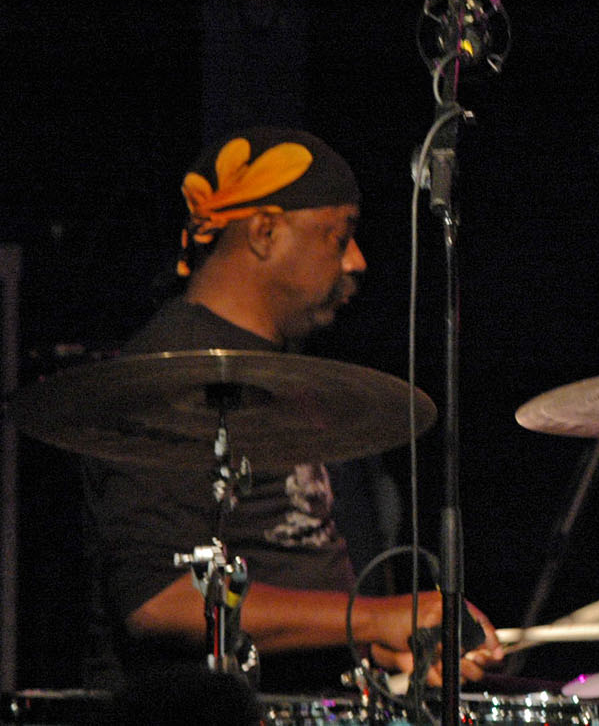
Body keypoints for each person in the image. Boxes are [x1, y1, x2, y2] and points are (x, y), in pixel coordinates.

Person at [82, 126, 504, 693]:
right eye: (340, 236)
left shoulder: (287, 370)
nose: (356, 262)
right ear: (263, 232)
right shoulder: (169, 377)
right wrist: (375, 617)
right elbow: (159, 603)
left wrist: (381, 645)